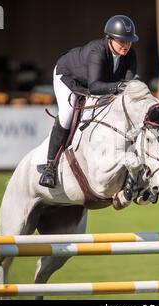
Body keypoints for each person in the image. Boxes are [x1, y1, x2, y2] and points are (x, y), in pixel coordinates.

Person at [39, 15, 139, 188]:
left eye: (129, 41)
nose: (126, 45)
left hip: (98, 83)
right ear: (109, 38)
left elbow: (128, 87)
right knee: (67, 114)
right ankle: (49, 166)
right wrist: (124, 86)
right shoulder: (97, 51)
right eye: (122, 41)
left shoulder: (130, 55)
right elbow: (95, 87)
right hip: (68, 77)